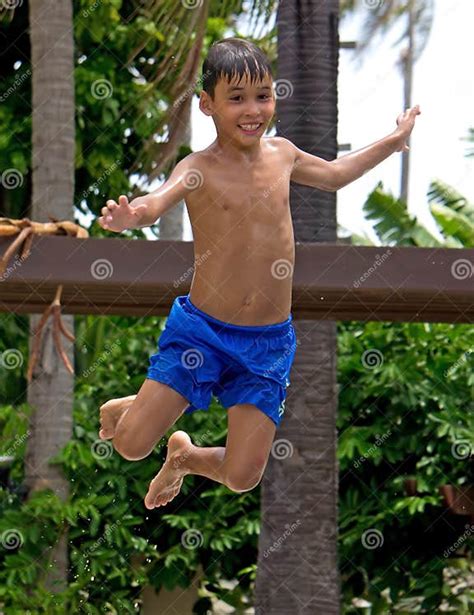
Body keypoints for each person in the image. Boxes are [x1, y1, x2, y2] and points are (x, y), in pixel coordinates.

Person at [97, 37, 420, 509]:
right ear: (207, 104)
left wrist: (393, 142)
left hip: (266, 343)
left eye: (263, 95)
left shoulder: (283, 155)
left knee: (243, 475)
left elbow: (333, 173)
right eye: (237, 98)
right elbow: (157, 201)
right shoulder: (197, 168)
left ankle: (184, 456)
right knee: (130, 445)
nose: (253, 109)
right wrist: (133, 216)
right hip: (203, 333)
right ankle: (135, 407)